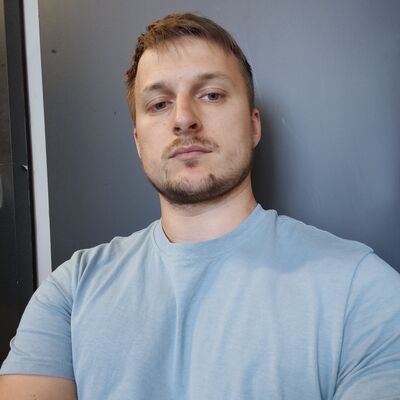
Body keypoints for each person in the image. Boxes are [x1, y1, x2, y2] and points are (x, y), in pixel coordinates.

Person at [0, 12, 399, 400]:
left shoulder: (361, 290)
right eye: (159, 103)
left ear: (253, 125)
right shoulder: (71, 292)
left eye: (211, 95)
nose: (183, 119)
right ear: (139, 142)